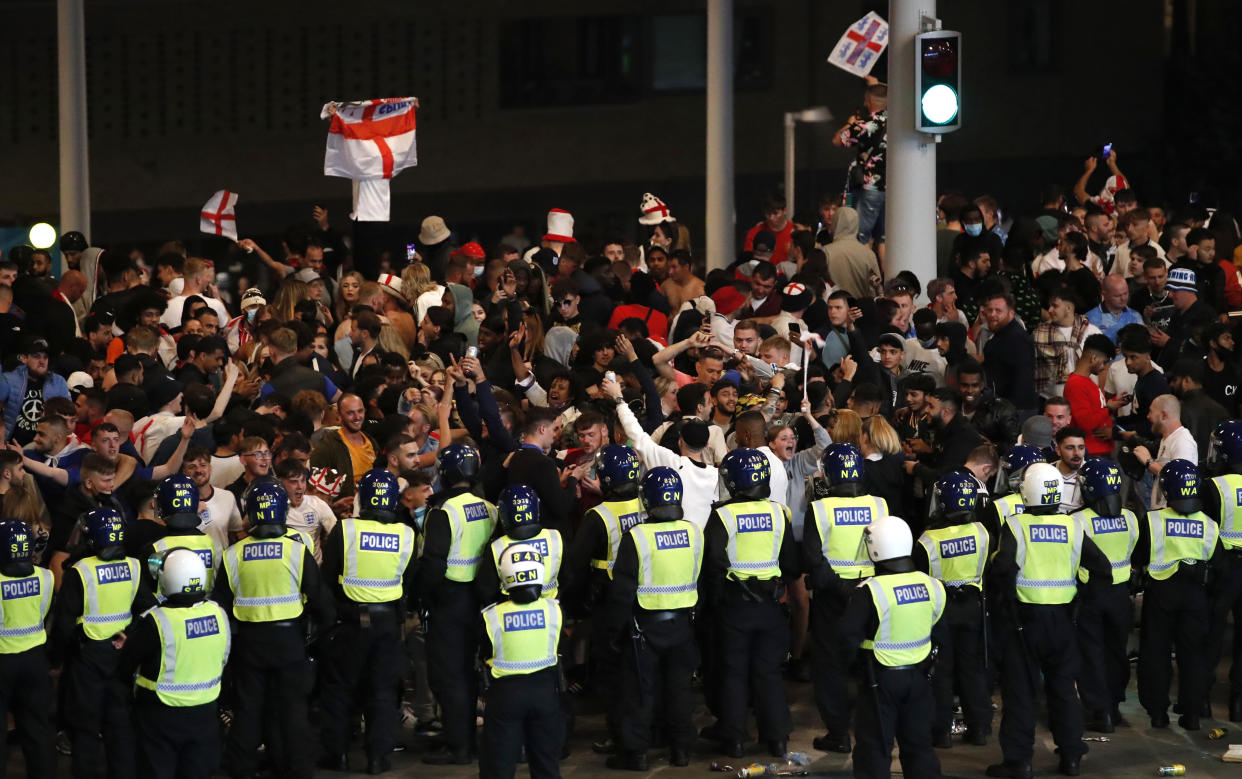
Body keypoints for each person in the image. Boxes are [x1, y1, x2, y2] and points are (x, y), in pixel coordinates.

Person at [986, 462, 1111, 778]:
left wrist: (1004, 610)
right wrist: (1079, 599)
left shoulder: (1015, 526)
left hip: (1024, 622)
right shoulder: (1073, 526)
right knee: (1064, 691)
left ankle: (1019, 762)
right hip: (1063, 621)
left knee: (1021, 692)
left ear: (1027, 491)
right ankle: (1071, 758)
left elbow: (1002, 572)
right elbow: (1102, 569)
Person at [212, 480, 333, 779]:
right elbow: (319, 599)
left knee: (249, 710)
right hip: (289, 641)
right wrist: (323, 633)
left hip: (249, 642)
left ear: (250, 513)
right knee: (292, 711)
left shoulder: (233, 555)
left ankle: (241, 768)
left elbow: (221, 607)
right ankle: (296, 769)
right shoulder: (296, 551)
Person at [318, 469, 417, 774]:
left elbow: (327, 577)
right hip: (388, 623)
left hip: (349, 622)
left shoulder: (346, 530)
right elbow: (409, 582)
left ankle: (337, 755)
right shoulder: (406, 534)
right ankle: (378, 758)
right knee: (383, 692)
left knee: (339, 690)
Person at [702, 448, 799, 757]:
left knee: (733, 672)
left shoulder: (723, 514)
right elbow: (792, 566)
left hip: (734, 606)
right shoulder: (779, 513)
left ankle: (734, 740)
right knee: (768, 672)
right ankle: (778, 738)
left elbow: (713, 563)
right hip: (770, 606)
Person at [606, 467, 704, 770]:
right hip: (683, 625)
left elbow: (623, 591)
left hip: (644, 629)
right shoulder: (693, 531)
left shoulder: (637, 537)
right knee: (679, 691)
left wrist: (613, 633)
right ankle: (681, 751)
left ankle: (635, 754)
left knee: (639, 693)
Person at [51, 506, 154, 779]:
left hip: (87, 660)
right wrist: (130, 635)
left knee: (84, 729)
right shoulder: (133, 565)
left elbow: (62, 624)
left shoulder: (80, 571)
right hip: (122, 656)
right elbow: (148, 611)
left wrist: (54, 660)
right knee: (120, 728)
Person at [841, 515, 945, 779]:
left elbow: (847, 637)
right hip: (921, 678)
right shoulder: (932, 585)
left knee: (874, 749)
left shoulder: (869, 591)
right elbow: (938, 627)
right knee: (919, 747)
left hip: (879, 681)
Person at [803, 443, 888, 754]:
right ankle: (875, 728)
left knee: (829, 666)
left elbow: (813, 558)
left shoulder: (820, 508)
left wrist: (841, 589)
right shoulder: (880, 505)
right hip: (872, 594)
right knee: (869, 662)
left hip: (832, 597)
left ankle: (838, 734)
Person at [120, 548, 230, 779]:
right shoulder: (218, 614)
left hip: (160, 715)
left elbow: (127, 662)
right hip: (205, 712)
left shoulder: (157, 620)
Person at [419, 443, 498, 765]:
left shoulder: (444, 512)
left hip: (450, 601)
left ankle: (459, 745)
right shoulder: (490, 507)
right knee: (471, 674)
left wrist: (421, 597)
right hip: (483, 601)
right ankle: (468, 738)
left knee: (450, 676)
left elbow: (434, 564)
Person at [563, 444, 643, 754]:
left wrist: (573, 607)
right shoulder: (645, 504)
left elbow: (575, 565)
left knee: (613, 673)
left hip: (609, 603)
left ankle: (620, 735)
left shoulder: (599, 516)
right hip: (645, 598)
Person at [1135, 460, 1221, 730]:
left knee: (1156, 654)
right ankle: (1192, 715)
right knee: (1193, 656)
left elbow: (1138, 557)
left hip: (1161, 594)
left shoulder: (1153, 520)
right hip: (1196, 597)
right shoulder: (1209, 525)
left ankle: (1158, 713)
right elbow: (1216, 566)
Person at [915, 472, 993, 747]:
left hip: (941, 612)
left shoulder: (927, 541)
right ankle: (980, 728)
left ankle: (941, 732)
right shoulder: (983, 533)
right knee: (972, 670)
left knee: (941, 672)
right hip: (973, 608)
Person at [479, 544, 565, 779]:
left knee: (498, 766)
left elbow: (484, 654)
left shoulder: (491, 616)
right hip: (546, 693)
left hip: (505, 697)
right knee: (547, 765)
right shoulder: (554, 610)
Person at [1071, 459, 1139, 732]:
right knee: (1117, 654)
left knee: (1091, 655)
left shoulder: (1077, 521)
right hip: (1121, 596)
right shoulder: (1131, 518)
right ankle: (1114, 708)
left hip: (1090, 595)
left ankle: (1099, 714)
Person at [0, 518, 54, 778]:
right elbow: (44, 613)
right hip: (35, 660)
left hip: (3, 661)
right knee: (38, 729)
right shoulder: (46, 577)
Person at [1203, 421, 1242, 720]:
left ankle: (1201, 698)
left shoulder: (1214, 486)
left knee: (1212, 635)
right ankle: (1238, 704)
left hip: (1223, 566)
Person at [479, 484, 563, 605]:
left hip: (510, 612)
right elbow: (569, 578)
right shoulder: (555, 538)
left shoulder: (497, 547)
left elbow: (486, 590)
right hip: (551, 611)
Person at [145, 474, 224, 592]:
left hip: (165, 610)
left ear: (161, 505)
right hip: (208, 610)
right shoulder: (214, 545)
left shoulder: (154, 548)